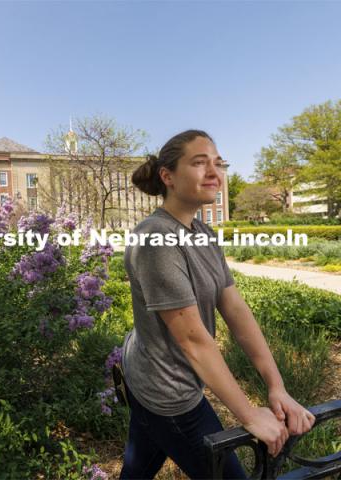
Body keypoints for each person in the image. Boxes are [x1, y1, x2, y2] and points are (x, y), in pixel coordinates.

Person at [119, 130, 316, 480]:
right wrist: (249, 415)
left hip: (151, 376)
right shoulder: (155, 239)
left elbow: (236, 310)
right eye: (199, 163)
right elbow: (193, 340)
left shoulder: (202, 233)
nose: (214, 172)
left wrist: (276, 385)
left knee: (139, 466)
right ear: (168, 177)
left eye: (217, 162)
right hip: (168, 391)